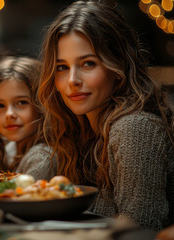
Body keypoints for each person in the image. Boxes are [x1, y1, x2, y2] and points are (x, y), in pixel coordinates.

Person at [37, 0, 174, 231]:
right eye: (62, 67)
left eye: (88, 63)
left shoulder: (134, 128)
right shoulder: (80, 128)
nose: (72, 80)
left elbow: (139, 231)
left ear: (117, 67)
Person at [0, 56, 54, 181]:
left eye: (21, 102)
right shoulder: (4, 154)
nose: (9, 114)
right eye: (0, 105)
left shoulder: (42, 158)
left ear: (42, 106)